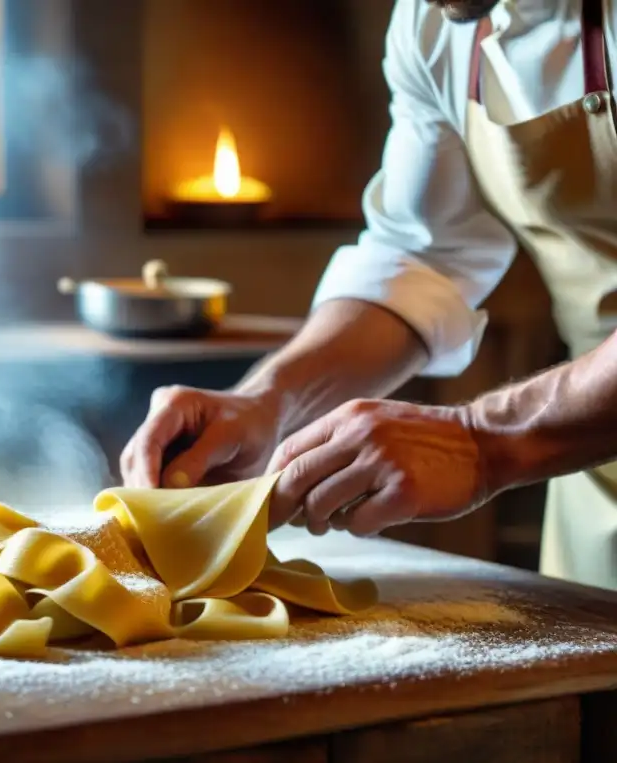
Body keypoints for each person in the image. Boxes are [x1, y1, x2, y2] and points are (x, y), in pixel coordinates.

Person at [121, 0, 617, 591]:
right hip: (591, 468)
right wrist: (273, 401)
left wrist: (481, 441)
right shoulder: (437, 21)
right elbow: (424, 256)